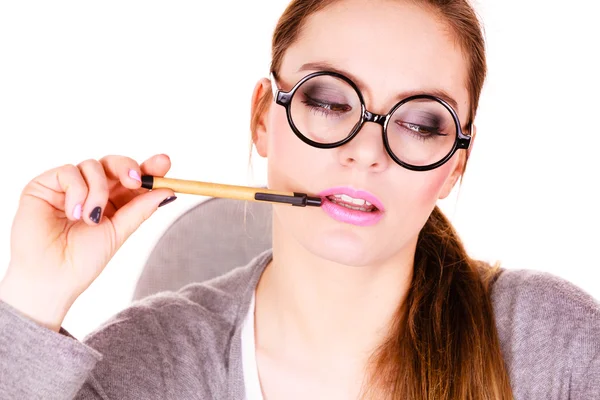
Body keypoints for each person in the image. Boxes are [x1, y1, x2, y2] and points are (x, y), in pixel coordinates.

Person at [1, 0, 599, 398]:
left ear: (452, 168)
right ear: (263, 118)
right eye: (330, 101)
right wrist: (30, 300)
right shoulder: (149, 365)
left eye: (420, 123)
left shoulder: (550, 343)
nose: (367, 152)